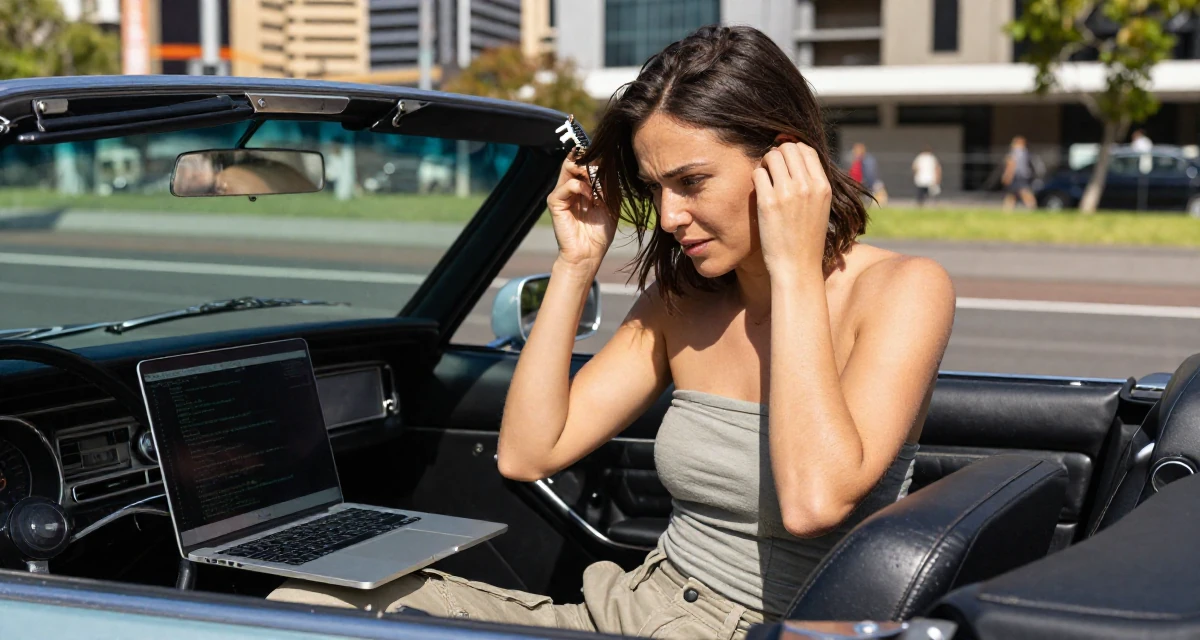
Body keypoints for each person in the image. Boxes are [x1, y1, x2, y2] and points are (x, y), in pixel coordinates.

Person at [269, 25, 956, 639]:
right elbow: (527, 454)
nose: (668, 218)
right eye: (655, 188)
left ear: (785, 162)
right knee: (301, 605)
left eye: (692, 181)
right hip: (629, 609)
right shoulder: (682, 301)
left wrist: (795, 267)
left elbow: (814, 502)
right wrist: (575, 262)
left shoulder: (904, 290)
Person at [1001, 136, 1038, 211]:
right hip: (1024, 176)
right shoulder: (1026, 153)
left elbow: (1011, 165)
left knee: (1024, 193)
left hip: (1017, 176)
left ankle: (1032, 208)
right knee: (1012, 195)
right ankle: (1007, 211)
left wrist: (1007, 176)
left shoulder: (1015, 152)